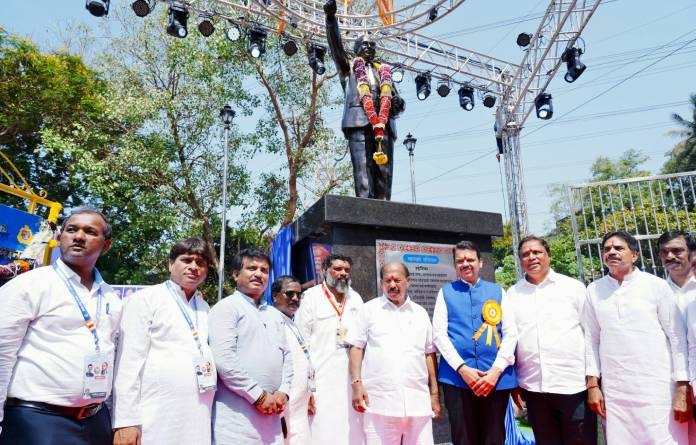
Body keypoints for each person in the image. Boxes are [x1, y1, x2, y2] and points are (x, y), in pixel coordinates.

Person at [0, 208, 121, 445]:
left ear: (106, 245)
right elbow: (2, 353)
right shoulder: (29, 285)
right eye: (71, 230)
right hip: (37, 421)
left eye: (90, 232)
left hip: (96, 420)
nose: (79, 237)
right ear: (59, 236)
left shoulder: (110, 296)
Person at [584, 230, 689, 443]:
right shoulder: (594, 290)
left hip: (657, 388)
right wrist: (593, 386)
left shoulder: (656, 286)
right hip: (616, 391)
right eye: (607, 249)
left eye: (618, 248)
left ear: (634, 255)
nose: (611, 252)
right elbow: (591, 340)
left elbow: (677, 337)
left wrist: (682, 386)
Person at [112, 237, 215, 445]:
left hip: (198, 414)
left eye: (200, 263)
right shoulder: (146, 299)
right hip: (155, 414)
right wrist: (126, 421)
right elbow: (128, 364)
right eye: (186, 260)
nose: (194, 267)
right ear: (170, 264)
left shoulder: (204, 308)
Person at [506, 236, 596, 445]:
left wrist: (593, 382)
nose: (531, 257)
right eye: (525, 254)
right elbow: (511, 341)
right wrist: (514, 382)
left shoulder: (573, 288)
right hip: (534, 388)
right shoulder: (513, 294)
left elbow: (591, 335)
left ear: (548, 255)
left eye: (537, 252)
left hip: (573, 386)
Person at [432, 240, 516, 445]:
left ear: (481, 262)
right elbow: (439, 335)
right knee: (463, 438)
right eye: (460, 261)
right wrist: (462, 369)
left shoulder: (498, 292)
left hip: (494, 379)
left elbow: (510, 333)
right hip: (457, 379)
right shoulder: (446, 292)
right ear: (455, 265)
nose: (465, 264)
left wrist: (496, 371)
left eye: (470, 259)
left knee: (494, 438)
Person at [346, 262, 440, 445]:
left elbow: (429, 353)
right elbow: (356, 347)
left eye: (397, 280)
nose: (392, 285)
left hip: (417, 403)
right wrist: (357, 385)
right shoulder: (369, 310)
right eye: (387, 281)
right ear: (381, 283)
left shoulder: (420, 313)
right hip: (379, 403)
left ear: (408, 281)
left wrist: (434, 394)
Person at [208, 249, 292, 445]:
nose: (258, 274)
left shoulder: (273, 314)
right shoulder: (226, 308)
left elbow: (287, 357)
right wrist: (257, 395)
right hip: (237, 419)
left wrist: (284, 391)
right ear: (236, 274)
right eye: (252, 268)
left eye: (264, 270)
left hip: (272, 416)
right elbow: (224, 360)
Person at [324, 0, 405, 200]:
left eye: (372, 45)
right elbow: (336, 48)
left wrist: (398, 104)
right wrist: (330, 19)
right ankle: (364, 209)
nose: (369, 47)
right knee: (362, 169)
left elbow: (397, 100)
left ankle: (384, 209)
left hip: (384, 124)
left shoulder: (384, 72)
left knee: (385, 172)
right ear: (356, 49)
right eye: (365, 44)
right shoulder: (349, 68)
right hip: (358, 122)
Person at [294, 254, 364, 445]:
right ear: (325, 271)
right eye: (338, 269)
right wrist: (305, 387)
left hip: (351, 379)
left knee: (352, 431)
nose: (343, 273)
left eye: (346, 270)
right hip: (321, 379)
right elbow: (301, 344)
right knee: (322, 430)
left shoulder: (356, 298)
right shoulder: (310, 297)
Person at [659, 231, 696, 441]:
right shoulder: (657, 291)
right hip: (670, 383)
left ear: (691, 252)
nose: (670, 256)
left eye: (677, 250)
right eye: (664, 252)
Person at [271, 275, 316, 445]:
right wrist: (279, 416)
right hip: (283, 410)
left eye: (299, 294)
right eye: (290, 293)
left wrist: (309, 393)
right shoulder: (270, 322)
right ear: (275, 296)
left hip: (299, 408)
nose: (295, 298)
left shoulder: (291, 322)